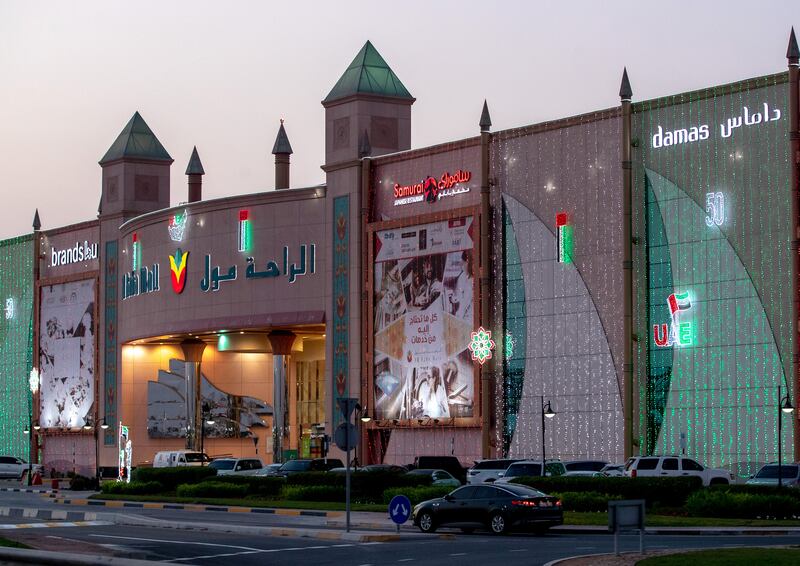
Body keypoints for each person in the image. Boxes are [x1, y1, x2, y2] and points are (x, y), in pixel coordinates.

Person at [448, 251, 473, 320]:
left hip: (470, 319)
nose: (462, 266)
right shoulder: (462, 276)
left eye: (464, 263)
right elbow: (458, 295)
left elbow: (465, 303)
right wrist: (454, 299)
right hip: (462, 317)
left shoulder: (474, 280)